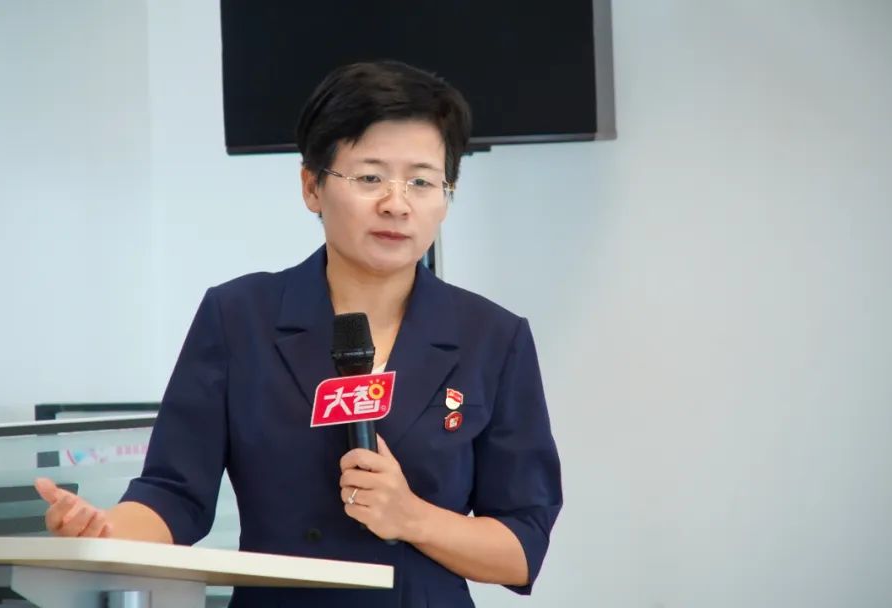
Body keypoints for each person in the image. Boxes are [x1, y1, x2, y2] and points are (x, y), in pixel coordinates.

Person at [34, 60, 562, 607]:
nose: (396, 203)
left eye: (422, 182)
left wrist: (412, 517)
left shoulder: (492, 338)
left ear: (446, 196)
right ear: (312, 186)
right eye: (370, 177)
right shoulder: (238, 317)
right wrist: (104, 532)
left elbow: (522, 545)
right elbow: (173, 494)